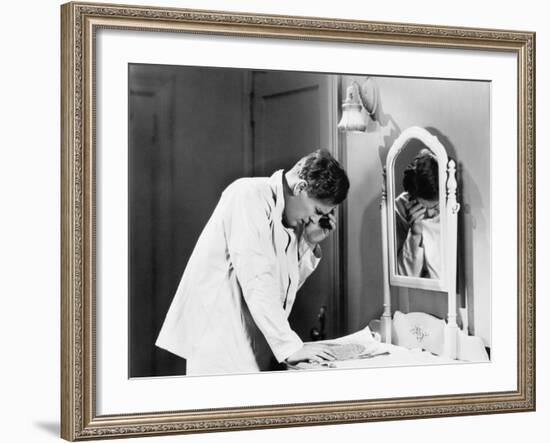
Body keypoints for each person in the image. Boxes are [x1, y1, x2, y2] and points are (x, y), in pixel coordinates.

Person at [155, 150, 350, 375]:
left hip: (253, 349)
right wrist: (290, 347)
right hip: (221, 353)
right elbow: (258, 280)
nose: (316, 220)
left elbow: (282, 293)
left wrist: (306, 242)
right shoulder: (248, 195)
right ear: (300, 187)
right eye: (317, 211)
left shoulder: (289, 223)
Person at [395, 149, 441, 279]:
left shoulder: (452, 208)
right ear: (411, 198)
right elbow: (404, 278)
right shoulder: (399, 208)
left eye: (436, 206)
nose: (431, 213)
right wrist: (415, 235)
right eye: (424, 207)